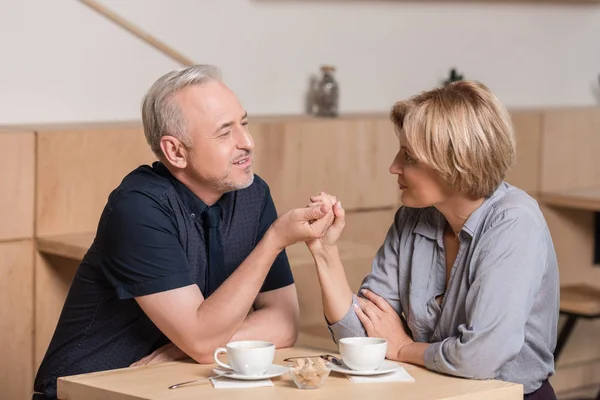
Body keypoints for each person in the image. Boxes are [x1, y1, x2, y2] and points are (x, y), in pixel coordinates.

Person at [33, 65, 335, 400]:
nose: (247, 143)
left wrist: (185, 349)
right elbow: (205, 342)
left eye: (244, 124)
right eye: (225, 133)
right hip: (90, 388)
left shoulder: (252, 193)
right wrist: (274, 240)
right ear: (175, 151)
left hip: (176, 378)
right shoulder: (137, 208)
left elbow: (284, 322)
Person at [306, 81, 559, 399]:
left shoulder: (514, 221)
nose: (393, 167)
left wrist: (404, 347)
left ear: (455, 162)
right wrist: (325, 251)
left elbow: (481, 358)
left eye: (408, 157)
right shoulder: (411, 217)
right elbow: (365, 337)